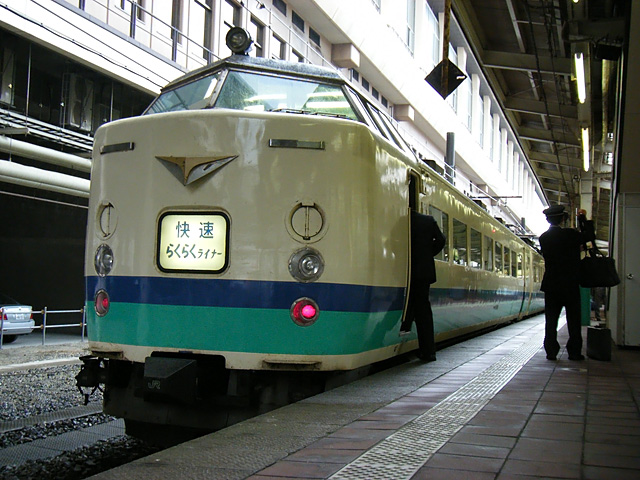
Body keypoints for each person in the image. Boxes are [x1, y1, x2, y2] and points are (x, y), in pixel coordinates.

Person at [539, 205, 585, 361]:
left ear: (547, 220)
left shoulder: (544, 238)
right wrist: (583, 219)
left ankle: (551, 351)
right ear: (563, 219)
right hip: (570, 284)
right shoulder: (571, 235)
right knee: (574, 320)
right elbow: (589, 236)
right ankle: (574, 352)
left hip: (551, 285)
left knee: (551, 320)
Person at [403, 209, 446, 361]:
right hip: (424, 272)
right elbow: (441, 240)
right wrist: (427, 254)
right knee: (424, 311)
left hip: (405, 271)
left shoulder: (400, 222)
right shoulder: (427, 220)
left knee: (408, 305)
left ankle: (404, 329)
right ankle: (428, 351)